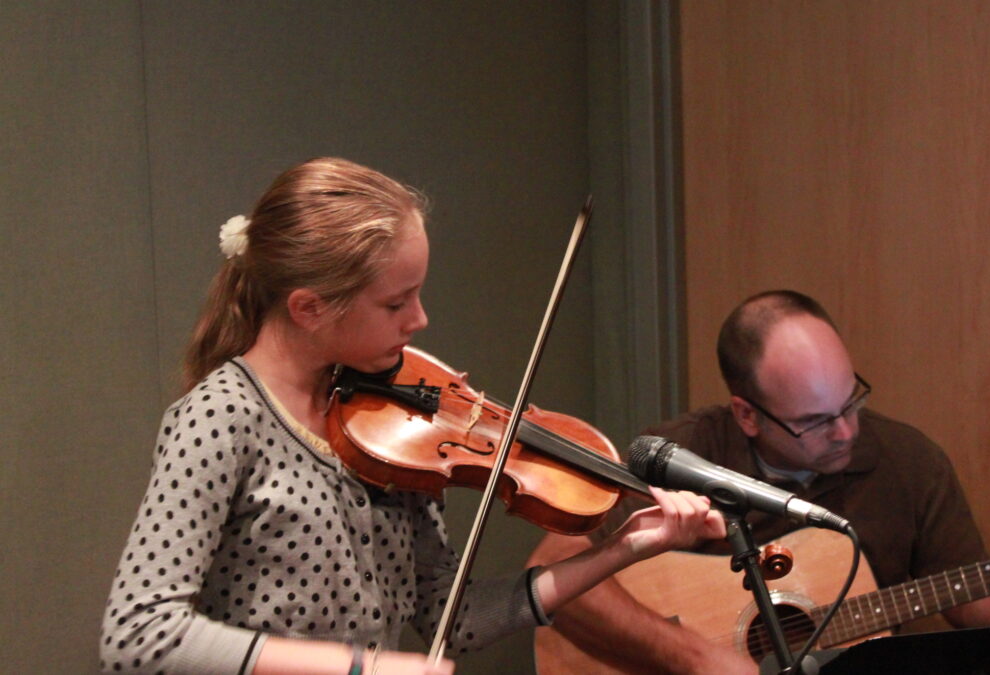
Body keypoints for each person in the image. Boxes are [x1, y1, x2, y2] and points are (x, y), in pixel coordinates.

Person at [99, 157, 726, 675]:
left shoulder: (393, 427)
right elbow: (139, 634)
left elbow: (450, 619)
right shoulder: (220, 418)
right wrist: (358, 668)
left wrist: (622, 549)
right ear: (309, 308)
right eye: (397, 302)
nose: (420, 320)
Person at [526, 289, 990, 674]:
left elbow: (974, 607)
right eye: (816, 422)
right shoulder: (684, 454)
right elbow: (553, 568)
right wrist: (694, 656)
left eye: (851, 403)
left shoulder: (908, 461)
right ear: (747, 414)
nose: (846, 432)